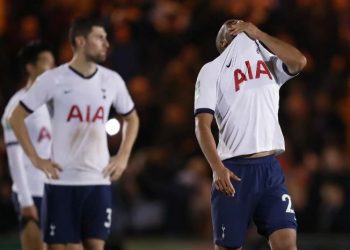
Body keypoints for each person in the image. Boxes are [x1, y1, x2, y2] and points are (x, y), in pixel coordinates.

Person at [9, 17, 139, 250]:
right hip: (61, 183)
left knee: (95, 246)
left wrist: (123, 156)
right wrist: (36, 159)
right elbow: (16, 117)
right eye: (100, 38)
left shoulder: (112, 80)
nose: (106, 44)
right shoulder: (53, 79)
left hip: (98, 181)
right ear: (80, 41)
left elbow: (132, 117)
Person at [194, 19, 307, 250]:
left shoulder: (268, 62)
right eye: (230, 24)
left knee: (287, 244)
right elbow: (202, 125)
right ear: (223, 40)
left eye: (241, 22)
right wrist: (217, 168)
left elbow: (299, 61)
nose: (238, 24)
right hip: (234, 171)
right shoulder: (212, 70)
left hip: (270, 169)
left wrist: (260, 34)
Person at [1, 41, 55, 250]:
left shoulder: (55, 101)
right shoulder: (17, 105)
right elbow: (14, 156)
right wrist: (25, 200)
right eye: (45, 62)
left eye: (52, 62)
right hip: (32, 191)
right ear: (30, 67)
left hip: (55, 189)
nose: (50, 67)